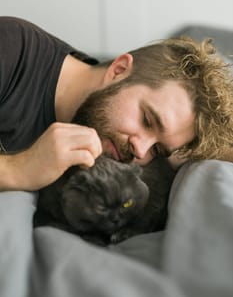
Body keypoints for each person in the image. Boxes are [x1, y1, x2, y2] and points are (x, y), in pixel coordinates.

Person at [0, 16, 233, 192]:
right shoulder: (11, 48)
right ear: (119, 69)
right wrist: (19, 169)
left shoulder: (123, 145)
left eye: (156, 149)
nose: (140, 151)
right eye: (147, 120)